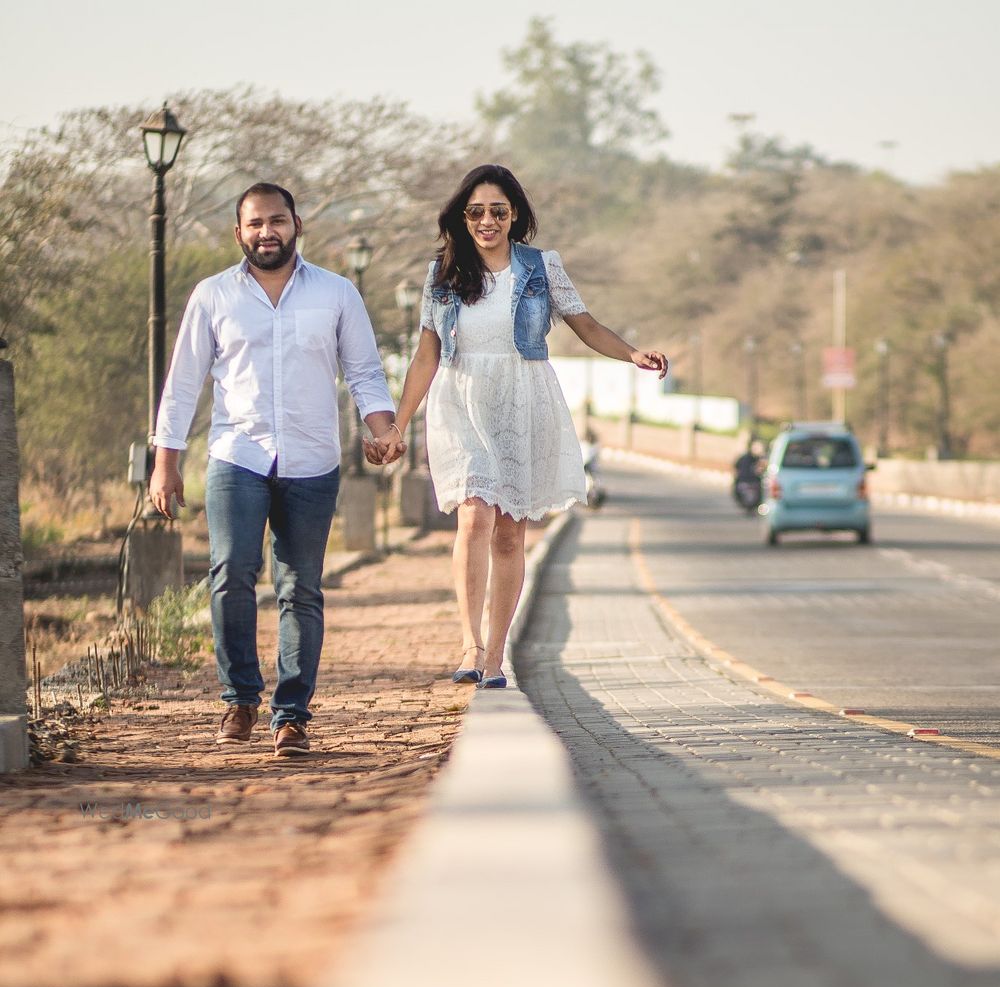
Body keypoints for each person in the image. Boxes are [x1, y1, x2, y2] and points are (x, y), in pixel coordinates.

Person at [367, 164, 668, 688]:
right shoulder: (442, 272)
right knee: (474, 516)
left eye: (498, 211)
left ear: (515, 215)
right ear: (462, 217)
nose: (487, 221)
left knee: (510, 533)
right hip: (460, 400)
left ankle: (494, 657)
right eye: (477, 211)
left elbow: (587, 325)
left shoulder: (541, 267)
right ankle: (469, 643)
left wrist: (633, 354)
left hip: (523, 399)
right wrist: (397, 424)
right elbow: (425, 355)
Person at [149, 182, 396, 758]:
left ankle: (292, 717)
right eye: (256, 223)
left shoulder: (337, 294)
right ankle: (239, 698)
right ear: (239, 233)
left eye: (277, 221)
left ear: (297, 224)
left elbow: (364, 372)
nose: (267, 232)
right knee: (232, 572)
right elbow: (183, 384)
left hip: (313, 460)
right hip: (237, 455)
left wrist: (381, 429)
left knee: (300, 587)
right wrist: (166, 463)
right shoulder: (212, 296)